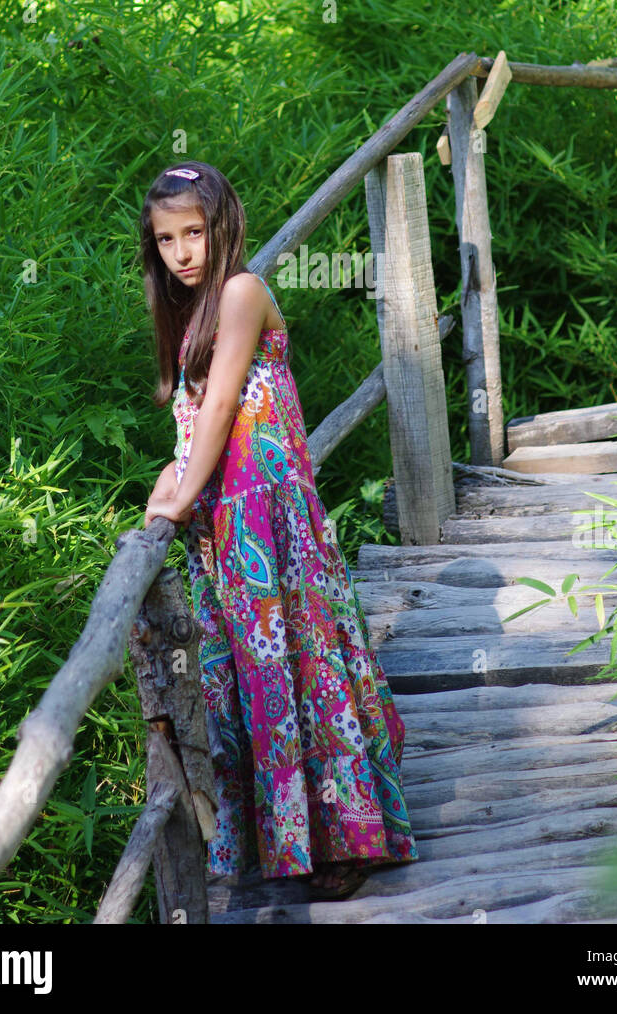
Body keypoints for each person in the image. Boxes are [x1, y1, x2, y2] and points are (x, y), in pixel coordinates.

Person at [141, 161, 418, 901]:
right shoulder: (189, 312)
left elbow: (228, 400)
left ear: (221, 227)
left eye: (193, 233)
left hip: (270, 517)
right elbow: (195, 416)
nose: (182, 252)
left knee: (302, 661)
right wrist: (175, 480)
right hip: (229, 524)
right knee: (255, 680)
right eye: (166, 239)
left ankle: (344, 837)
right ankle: (283, 842)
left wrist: (181, 496)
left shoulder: (240, 291)